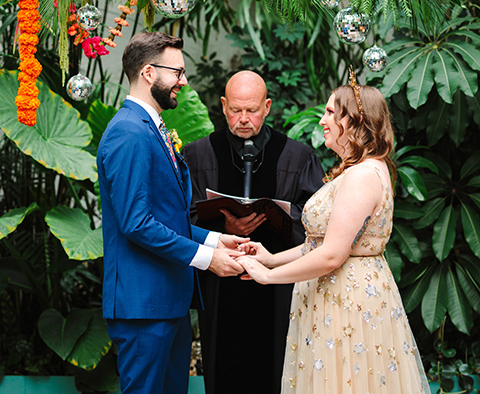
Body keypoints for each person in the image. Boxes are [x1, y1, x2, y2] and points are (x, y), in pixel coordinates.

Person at [237, 71, 429, 394]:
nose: (322, 120)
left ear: (354, 121)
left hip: (347, 301)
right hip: (335, 296)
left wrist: (268, 277)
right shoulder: (362, 169)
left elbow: (332, 255)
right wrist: (270, 259)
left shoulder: (363, 176)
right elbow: (320, 244)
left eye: (330, 113)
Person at [96, 31, 247, 394]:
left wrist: (215, 238)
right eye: (177, 72)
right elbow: (137, 223)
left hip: (167, 303)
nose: (183, 80)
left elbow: (166, 216)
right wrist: (206, 258)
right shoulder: (129, 134)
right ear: (149, 73)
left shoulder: (151, 128)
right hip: (144, 306)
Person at [183, 70, 325, 394]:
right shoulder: (198, 155)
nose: (243, 119)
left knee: (274, 368)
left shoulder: (297, 157)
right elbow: (181, 216)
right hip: (220, 285)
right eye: (236, 110)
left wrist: (277, 218)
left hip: (277, 286)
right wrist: (223, 225)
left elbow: (316, 219)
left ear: (268, 107)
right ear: (222, 105)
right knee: (224, 368)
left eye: (252, 110)